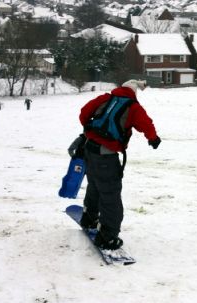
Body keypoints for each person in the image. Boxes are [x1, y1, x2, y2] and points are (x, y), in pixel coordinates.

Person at [74, 79, 161, 250]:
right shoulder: (133, 106)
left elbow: (84, 113)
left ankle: (89, 218)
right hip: (106, 156)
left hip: (89, 150)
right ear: (134, 93)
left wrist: (90, 130)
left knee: (95, 185)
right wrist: (153, 139)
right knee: (110, 195)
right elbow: (146, 124)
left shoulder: (105, 98)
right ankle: (107, 237)